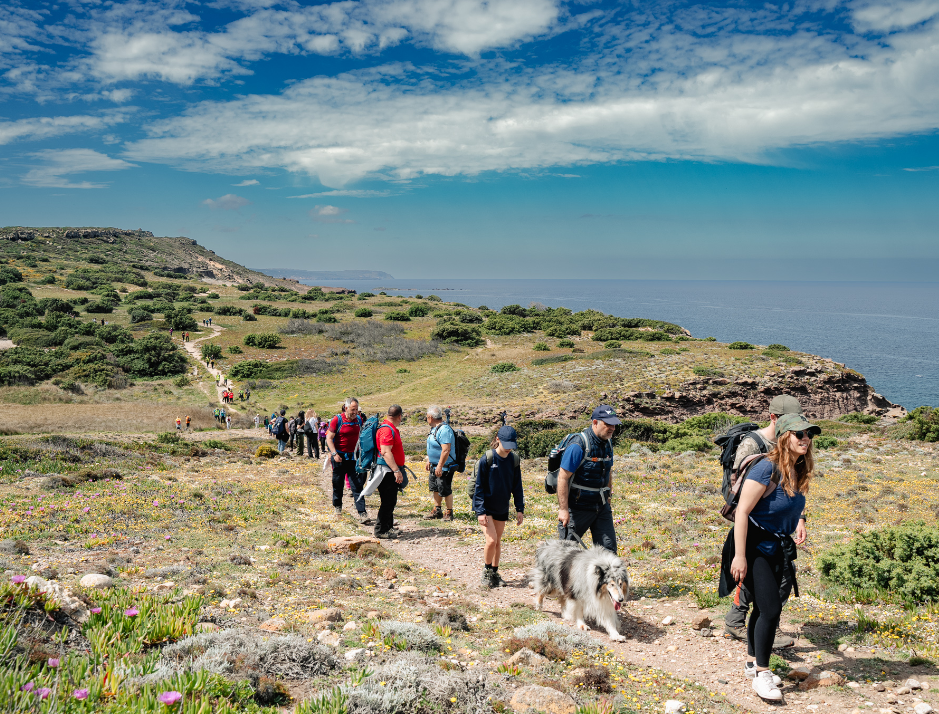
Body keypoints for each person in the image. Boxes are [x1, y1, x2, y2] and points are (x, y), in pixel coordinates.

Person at [721, 413, 816, 702]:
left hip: (777, 544)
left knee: (762, 609)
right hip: (754, 543)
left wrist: (799, 521)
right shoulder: (766, 468)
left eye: (809, 434)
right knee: (771, 610)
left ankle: (753, 663)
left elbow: (791, 503)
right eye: (799, 434)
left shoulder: (797, 469)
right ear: (785, 436)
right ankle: (762, 674)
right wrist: (739, 556)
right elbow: (742, 512)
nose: (805, 439)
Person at [724, 395, 804, 648]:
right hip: (753, 523)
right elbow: (739, 488)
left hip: (775, 525)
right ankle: (748, 623)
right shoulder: (753, 444)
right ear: (773, 418)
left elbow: (793, 487)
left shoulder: (795, 444)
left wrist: (799, 517)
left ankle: (756, 625)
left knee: (778, 575)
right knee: (759, 575)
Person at [556, 404, 619, 553]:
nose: (612, 428)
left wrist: (608, 498)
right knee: (565, 554)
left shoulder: (608, 443)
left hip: (601, 507)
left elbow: (608, 472)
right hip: (577, 509)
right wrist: (563, 510)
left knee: (609, 554)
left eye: (614, 424)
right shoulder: (578, 445)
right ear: (595, 422)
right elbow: (563, 478)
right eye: (608, 424)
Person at [473, 425, 524, 588]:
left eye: (511, 445)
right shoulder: (487, 459)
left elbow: (517, 486)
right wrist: (480, 511)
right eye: (506, 444)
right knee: (491, 540)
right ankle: (486, 572)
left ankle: (495, 573)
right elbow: (479, 487)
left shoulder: (514, 460)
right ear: (497, 439)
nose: (509, 448)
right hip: (486, 507)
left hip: (502, 506)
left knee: (497, 542)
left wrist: (519, 508)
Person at [326, 398, 371, 523]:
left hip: (354, 458)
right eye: (353, 409)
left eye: (356, 409)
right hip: (339, 457)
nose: (355, 412)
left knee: (357, 486)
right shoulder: (337, 420)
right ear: (346, 408)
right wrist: (334, 454)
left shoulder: (359, 420)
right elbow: (329, 438)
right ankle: (338, 507)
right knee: (338, 484)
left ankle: (362, 513)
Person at [373, 404, 406, 539]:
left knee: (390, 499)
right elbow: (386, 452)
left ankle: (388, 527)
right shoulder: (387, 430)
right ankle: (380, 530)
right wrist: (396, 470)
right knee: (388, 501)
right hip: (387, 472)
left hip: (388, 470)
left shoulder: (389, 428)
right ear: (399, 416)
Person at [423, 405, 458, 521]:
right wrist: (429, 460)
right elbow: (433, 446)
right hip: (435, 465)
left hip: (444, 467)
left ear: (430, 417)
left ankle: (449, 512)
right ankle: (437, 510)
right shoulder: (434, 429)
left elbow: (446, 450)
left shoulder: (444, 430)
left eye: (427, 417)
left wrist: (440, 466)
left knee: (445, 488)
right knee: (435, 488)